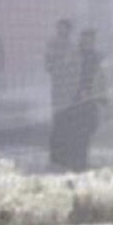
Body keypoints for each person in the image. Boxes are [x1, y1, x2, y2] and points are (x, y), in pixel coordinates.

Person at [64, 28, 107, 172]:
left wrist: (100, 96)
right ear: (82, 41)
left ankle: (81, 161)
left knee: (89, 129)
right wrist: (78, 91)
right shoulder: (76, 57)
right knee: (76, 131)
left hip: (91, 100)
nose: (89, 42)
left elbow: (101, 78)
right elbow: (69, 76)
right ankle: (76, 162)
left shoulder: (97, 57)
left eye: (91, 40)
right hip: (76, 100)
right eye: (86, 39)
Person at [45, 18, 78, 168]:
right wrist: (60, 63)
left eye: (64, 28)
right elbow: (48, 66)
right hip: (58, 89)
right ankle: (56, 156)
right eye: (60, 28)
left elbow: (76, 66)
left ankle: (66, 154)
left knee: (68, 123)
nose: (61, 30)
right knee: (58, 122)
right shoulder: (52, 45)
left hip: (70, 90)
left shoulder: (72, 46)